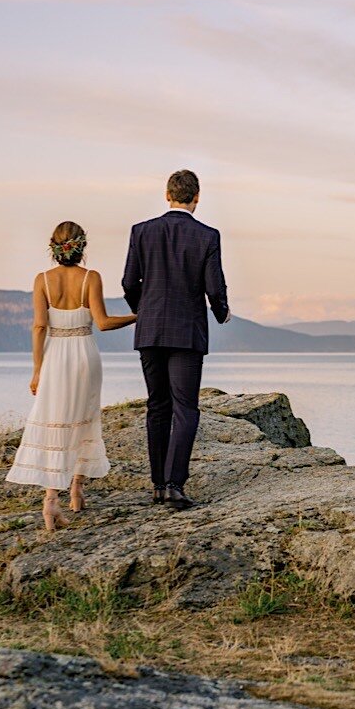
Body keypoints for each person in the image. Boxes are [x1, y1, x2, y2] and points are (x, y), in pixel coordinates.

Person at [5, 222, 136, 530]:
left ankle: (51, 502)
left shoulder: (42, 280)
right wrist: (138, 316)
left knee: (56, 422)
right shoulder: (91, 278)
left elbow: (39, 327)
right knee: (85, 417)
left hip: (55, 357)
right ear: (82, 247)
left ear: (53, 247)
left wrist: (37, 370)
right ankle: (76, 487)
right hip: (84, 355)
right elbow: (102, 323)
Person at [122, 170, 230, 511]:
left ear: (167, 195)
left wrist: (144, 308)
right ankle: (173, 485)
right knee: (185, 409)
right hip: (187, 333)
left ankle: (157, 486)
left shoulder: (141, 231)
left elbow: (128, 282)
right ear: (197, 197)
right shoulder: (207, 236)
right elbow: (214, 287)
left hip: (150, 330)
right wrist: (222, 311)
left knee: (157, 406)